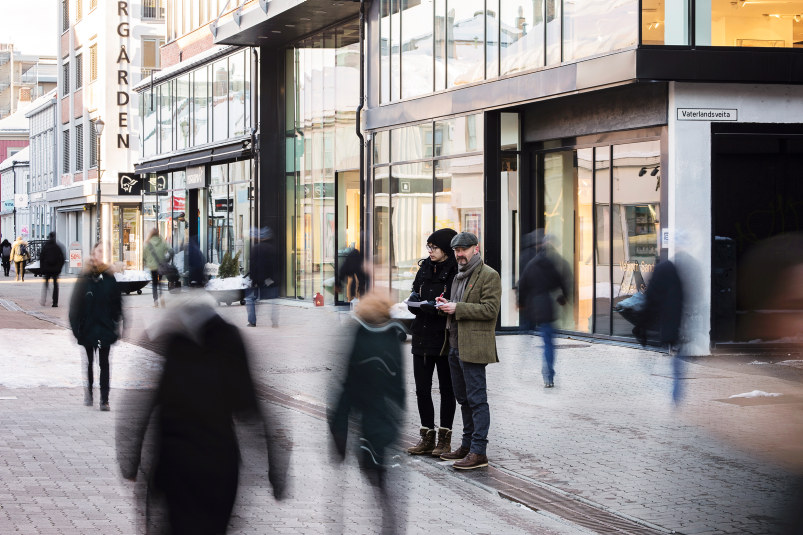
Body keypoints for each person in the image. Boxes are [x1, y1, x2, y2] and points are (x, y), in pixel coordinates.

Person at [116, 292, 288, 534]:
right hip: (218, 465)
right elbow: (251, 407)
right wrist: (274, 470)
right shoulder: (229, 338)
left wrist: (131, 463)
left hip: (174, 464)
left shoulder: (167, 339)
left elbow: (139, 404)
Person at [329, 291, 406, 534]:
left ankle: (387, 516)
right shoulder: (393, 337)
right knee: (381, 474)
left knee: (372, 468)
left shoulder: (358, 336)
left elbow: (348, 386)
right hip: (385, 421)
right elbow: (399, 388)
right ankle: (389, 519)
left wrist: (338, 427)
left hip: (365, 419)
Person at [435, 232, 501, 470]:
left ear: (476, 248)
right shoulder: (458, 276)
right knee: (463, 399)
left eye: (463, 250)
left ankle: (478, 451)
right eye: (456, 250)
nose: (459, 255)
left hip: (474, 346)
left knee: (477, 400)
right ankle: (466, 445)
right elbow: (458, 307)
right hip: (454, 344)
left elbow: (491, 310)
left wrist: (458, 307)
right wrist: (445, 306)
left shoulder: (489, 275)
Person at [405, 228, 458, 457]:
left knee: (447, 390)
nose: (430, 251)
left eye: (434, 247)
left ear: (446, 249)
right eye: (429, 247)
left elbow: (457, 303)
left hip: (445, 337)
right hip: (422, 336)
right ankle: (427, 436)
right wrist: (414, 302)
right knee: (422, 389)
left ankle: (444, 439)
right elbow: (414, 294)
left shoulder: (456, 271)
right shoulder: (425, 267)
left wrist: (436, 307)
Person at [69, 243, 123, 411]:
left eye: (105, 252)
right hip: (88, 327)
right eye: (99, 251)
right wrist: (76, 329)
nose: (101, 254)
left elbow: (118, 304)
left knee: (104, 363)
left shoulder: (109, 277)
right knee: (90, 361)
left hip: (105, 327)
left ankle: (104, 400)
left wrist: (117, 323)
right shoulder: (84, 277)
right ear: (93, 253)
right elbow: (75, 306)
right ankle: (90, 392)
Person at [517, 230, 571, 388]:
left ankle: (522, 367)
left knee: (528, 337)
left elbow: (523, 285)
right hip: (547, 306)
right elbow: (563, 281)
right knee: (548, 343)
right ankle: (548, 375)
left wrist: (521, 303)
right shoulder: (555, 262)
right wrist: (563, 298)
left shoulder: (530, 263)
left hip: (532, 306)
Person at [643, 258, 684, 403]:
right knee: (676, 361)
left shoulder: (662, 272)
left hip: (667, 328)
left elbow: (651, 301)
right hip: (674, 328)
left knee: (672, 362)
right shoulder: (674, 275)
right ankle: (676, 394)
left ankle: (674, 393)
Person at [246, 227, 279, 328]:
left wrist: (253, 279)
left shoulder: (255, 249)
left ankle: (252, 321)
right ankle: (274, 321)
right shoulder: (273, 249)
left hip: (258, 279)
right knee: (274, 300)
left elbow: (253, 266)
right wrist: (273, 278)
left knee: (250, 299)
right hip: (270, 279)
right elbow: (276, 265)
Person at [143, 228, 173, 307]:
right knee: (160, 283)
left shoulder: (148, 243)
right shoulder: (163, 242)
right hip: (161, 266)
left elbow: (143, 256)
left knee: (155, 284)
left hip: (152, 267)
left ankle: (156, 302)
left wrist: (147, 262)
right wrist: (167, 260)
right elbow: (171, 251)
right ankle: (162, 296)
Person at [39, 232, 66, 307]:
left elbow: (41, 258)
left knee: (46, 285)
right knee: (55, 286)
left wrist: (41, 269)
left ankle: (43, 300)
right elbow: (62, 258)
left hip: (47, 269)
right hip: (55, 270)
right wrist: (59, 268)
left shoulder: (45, 246)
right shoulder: (58, 247)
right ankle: (55, 302)